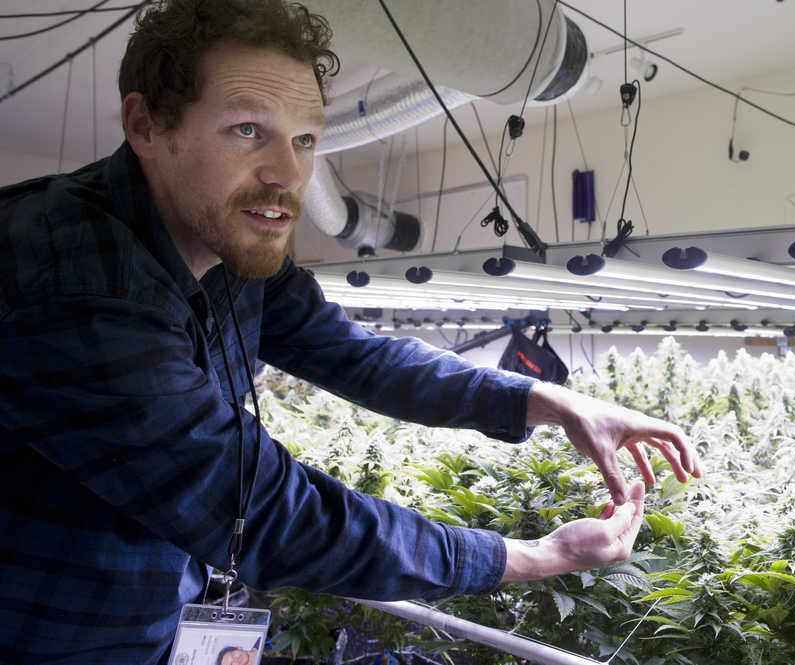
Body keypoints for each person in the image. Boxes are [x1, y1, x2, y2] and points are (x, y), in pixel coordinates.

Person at [0, 1, 700, 663]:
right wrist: (531, 556)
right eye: (247, 129)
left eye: (305, 139)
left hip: (149, 622)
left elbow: (361, 357)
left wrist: (547, 401)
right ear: (146, 125)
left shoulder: (229, 246)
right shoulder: (72, 276)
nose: (287, 176)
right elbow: (269, 511)